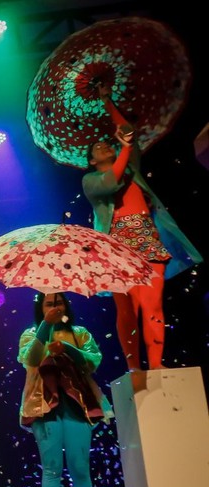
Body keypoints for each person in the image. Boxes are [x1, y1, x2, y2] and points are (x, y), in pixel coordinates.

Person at [82, 83, 202, 370]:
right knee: (128, 309)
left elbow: (126, 131)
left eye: (106, 143)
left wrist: (107, 101)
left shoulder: (131, 168)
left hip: (147, 238)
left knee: (153, 305)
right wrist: (123, 149)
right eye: (97, 148)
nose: (104, 145)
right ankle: (134, 367)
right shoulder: (90, 181)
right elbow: (111, 183)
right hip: (116, 245)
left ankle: (157, 364)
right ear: (91, 160)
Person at [18, 292, 113, 487]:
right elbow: (31, 359)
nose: (54, 307)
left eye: (58, 302)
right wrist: (46, 326)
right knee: (52, 469)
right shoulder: (31, 334)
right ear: (41, 308)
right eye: (49, 303)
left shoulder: (79, 333)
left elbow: (92, 362)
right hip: (44, 407)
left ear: (65, 305)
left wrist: (67, 349)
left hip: (77, 406)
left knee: (80, 468)